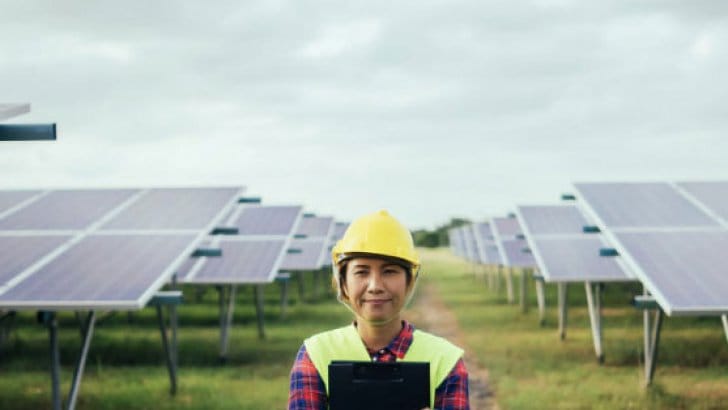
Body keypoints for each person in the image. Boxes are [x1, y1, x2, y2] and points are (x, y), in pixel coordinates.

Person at [288, 210, 469, 410]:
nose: (375, 285)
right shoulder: (315, 355)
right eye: (362, 272)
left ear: (410, 282)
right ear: (343, 283)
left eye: (389, 271)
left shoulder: (446, 361)